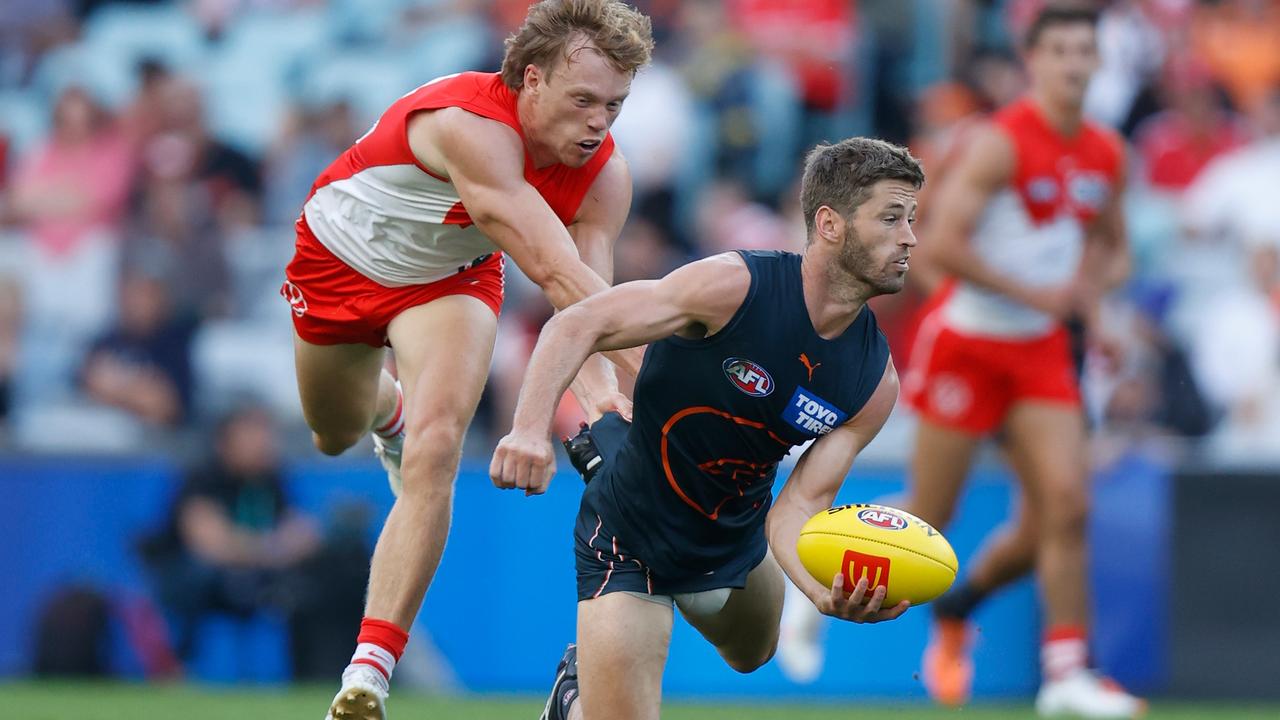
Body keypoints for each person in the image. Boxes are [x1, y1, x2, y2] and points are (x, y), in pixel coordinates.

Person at [279, 2, 654, 718]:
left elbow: (590, 307)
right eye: (583, 100)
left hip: (448, 284)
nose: (600, 122)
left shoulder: (605, 178)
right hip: (337, 265)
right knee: (332, 433)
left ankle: (369, 670)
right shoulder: (471, 126)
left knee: (438, 447)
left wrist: (607, 393)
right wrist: (669, 380)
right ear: (530, 79)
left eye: (614, 104)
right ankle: (387, 407)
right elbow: (554, 269)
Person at [491, 137, 924, 720]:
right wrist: (527, 429)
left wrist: (821, 596)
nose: (910, 238)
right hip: (631, 535)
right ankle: (577, 693)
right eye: (891, 218)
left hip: (734, 536)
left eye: (912, 219)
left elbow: (797, 509)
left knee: (754, 653)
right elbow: (578, 323)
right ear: (829, 224)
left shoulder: (875, 381)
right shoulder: (734, 286)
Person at [897, 7, 1142, 717]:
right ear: (1033, 62)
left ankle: (1065, 675)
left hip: (1039, 350)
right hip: (969, 341)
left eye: (1084, 52)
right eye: (1059, 50)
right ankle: (816, 555)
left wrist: (1090, 300)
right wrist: (1034, 292)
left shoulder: (1106, 153)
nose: (1073, 64)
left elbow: (1115, 247)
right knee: (930, 520)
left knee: (1064, 508)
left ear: (1099, 63)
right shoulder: (999, 144)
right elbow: (938, 248)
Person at [139, 404, 371, 679]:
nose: (264, 443)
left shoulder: (270, 479)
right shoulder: (202, 476)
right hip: (195, 579)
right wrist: (272, 548)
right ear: (225, 441)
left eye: (266, 434)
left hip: (258, 573)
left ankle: (323, 671)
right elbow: (212, 546)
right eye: (253, 434)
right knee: (201, 577)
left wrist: (262, 547)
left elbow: (302, 533)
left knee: (331, 574)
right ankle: (177, 667)